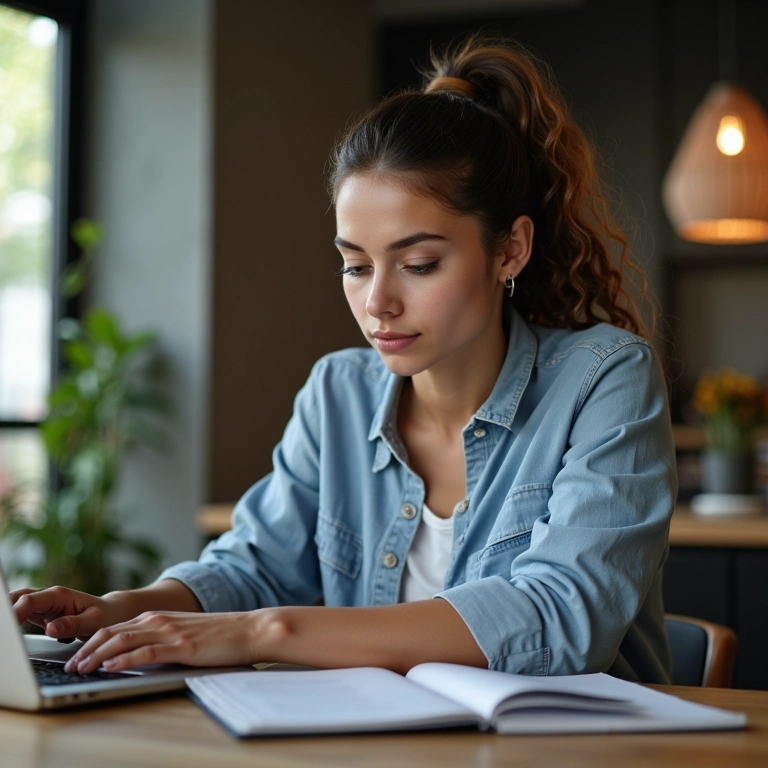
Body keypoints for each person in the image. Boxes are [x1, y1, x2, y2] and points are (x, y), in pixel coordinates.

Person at [11, 37, 676, 683]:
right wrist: (127, 608)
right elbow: (257, 566)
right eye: (355, 266)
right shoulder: (339, 390)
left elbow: (563, 613)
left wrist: (266, 632)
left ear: (509, 251)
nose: (377, 301)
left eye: (419, 264)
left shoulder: (605, 376)